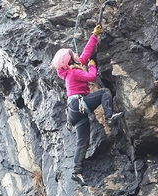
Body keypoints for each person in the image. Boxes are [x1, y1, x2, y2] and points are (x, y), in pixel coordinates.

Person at [52, 24, 124, 186]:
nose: (76, 54)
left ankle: (77, 172)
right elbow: (91, 77)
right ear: (70, 61)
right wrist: (92, 65)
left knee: (83, 141)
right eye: (73, 54)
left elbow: (84, 55)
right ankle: (109, 116)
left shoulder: (71, 69)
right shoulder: (74, 72)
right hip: (79, 105)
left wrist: (94, 35)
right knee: (104, 92)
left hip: (74, 113)